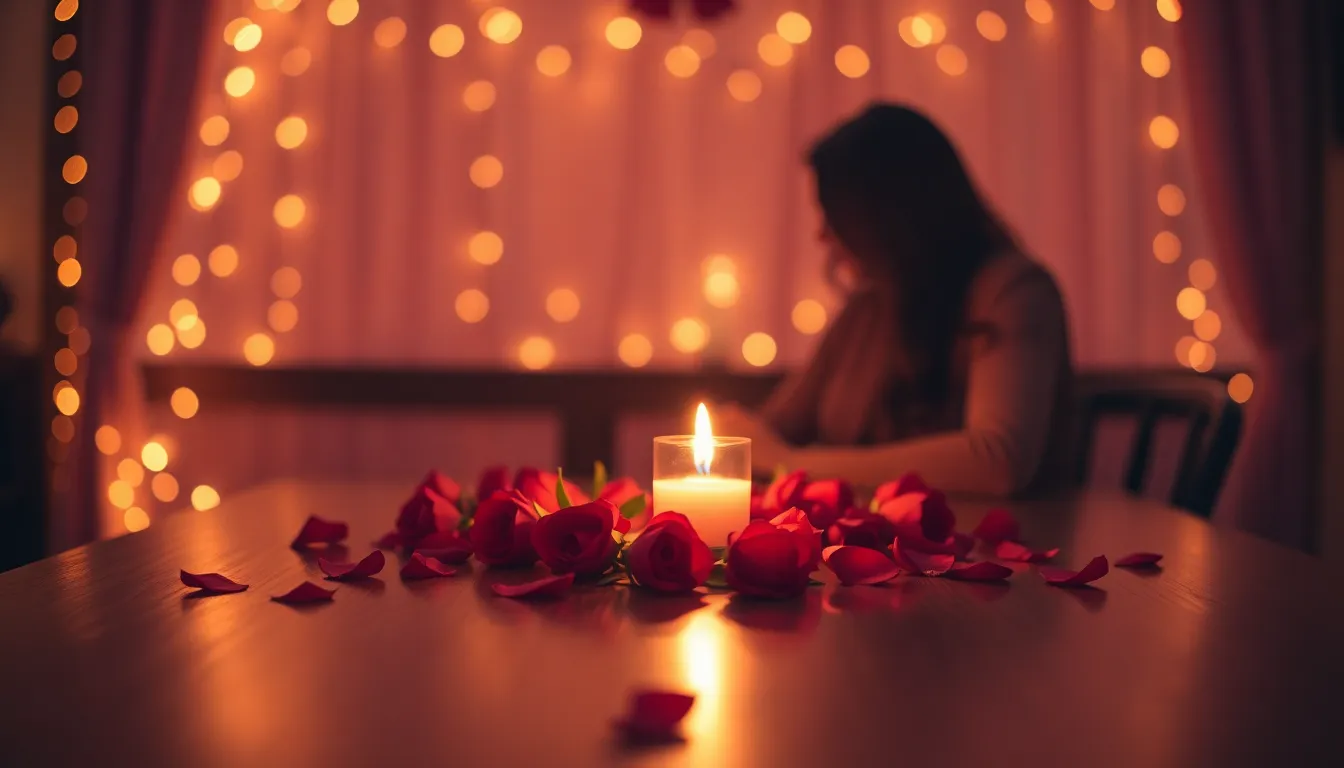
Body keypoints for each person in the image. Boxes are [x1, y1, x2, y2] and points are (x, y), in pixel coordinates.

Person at [716, 103, 1072, 497]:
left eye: (834, 217)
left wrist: (792, 462)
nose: (822, 236)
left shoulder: (1012, 292)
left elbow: (997, 461)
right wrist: (738, 437)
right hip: (869, 547)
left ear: (887, 218)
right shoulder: (867, 308)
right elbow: (775, 430)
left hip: (998, 546)